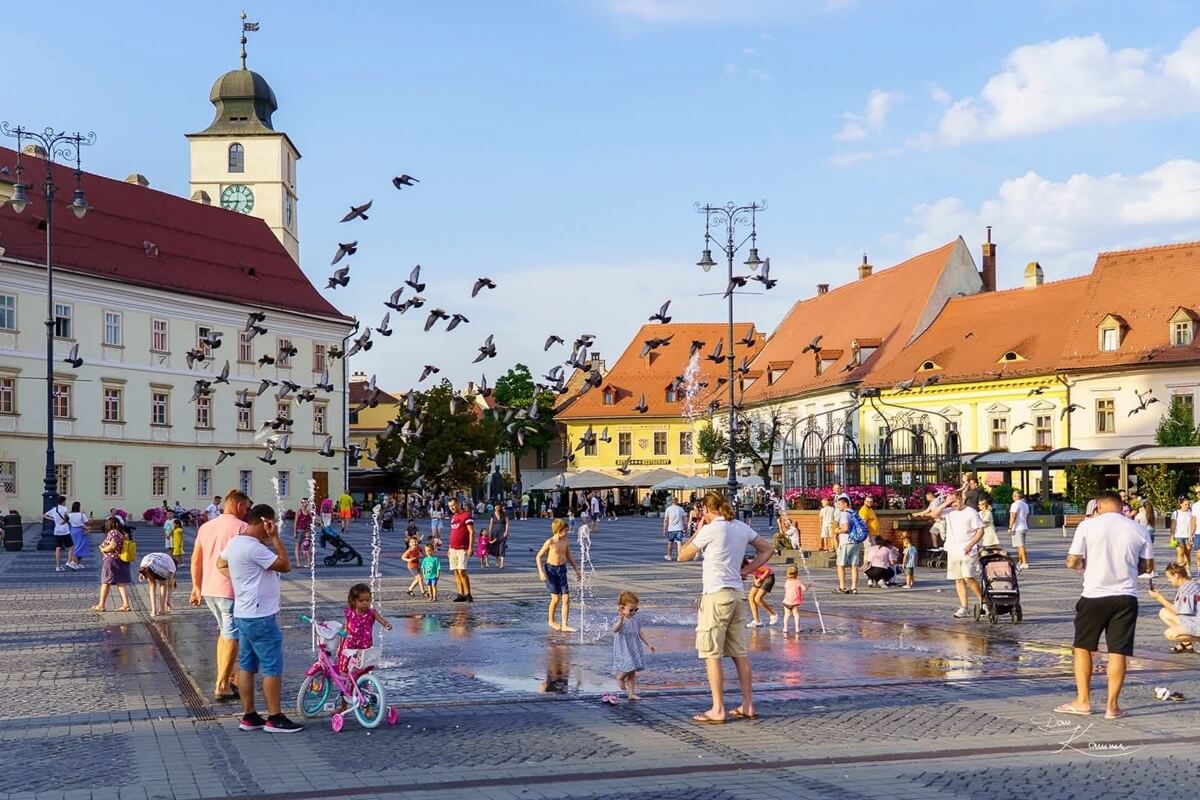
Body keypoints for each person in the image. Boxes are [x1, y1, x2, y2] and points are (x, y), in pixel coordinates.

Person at [1057, 491, 1153, 720]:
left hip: (1094, 595)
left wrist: (1084, 564)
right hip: (1126, 596)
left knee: (1083, 647)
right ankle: (1112, 706)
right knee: (1118, 651)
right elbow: (1148, 567)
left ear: (1098, 506)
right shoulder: (1138, 529)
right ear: (1121, 506)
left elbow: (1073, 561)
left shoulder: (1087, 526)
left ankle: (1083, 701)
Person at [678, 492, 773, 724]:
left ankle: (718, 709)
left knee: (712, 654)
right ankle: (748, 704)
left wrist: (698, 530)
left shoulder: (711, 530)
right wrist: (747, 571)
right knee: (739, 653)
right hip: (737, 595)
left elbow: (682, 555)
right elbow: (768, 549)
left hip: (715, 596)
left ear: (705, 509)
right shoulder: (740, 527)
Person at [218, 503, 300, 733]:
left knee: (247, 665)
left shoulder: (235, 542)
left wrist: (240, 579)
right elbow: (285, 565)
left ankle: (250, 716)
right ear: (265, 522)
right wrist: (275, 538)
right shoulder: (254, 548)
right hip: (260, 616)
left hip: (243, 614)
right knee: (272, 667)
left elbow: (220, 563)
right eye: (272, 523)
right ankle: (275, 718)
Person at [191, 489, 250, 703]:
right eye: (246, 507)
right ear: (239, 505)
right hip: (230, 590)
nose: (246, 512)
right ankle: (222, 685)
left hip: (209, 589)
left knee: (224, 634)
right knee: (232, 635)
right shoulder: (242, 528)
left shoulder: (206, 527)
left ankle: (226, 677)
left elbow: (196, 559)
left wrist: (196, 586)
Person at [943, 491, 986, 618]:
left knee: (968, 577)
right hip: (953, 549)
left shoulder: (971, 512)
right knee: (958, 579)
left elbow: (980, 531)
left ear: (961, 499)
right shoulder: (949, 512)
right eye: (951, 502)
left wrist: (971, 544)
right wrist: (946, 503)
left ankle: (983, 601)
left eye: (955, 501)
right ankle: (964, 607)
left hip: (967, 549)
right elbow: (934, 514)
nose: (953, 504)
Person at [336, 583, 392, 679]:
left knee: (362, 666)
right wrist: (340, 643)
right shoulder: (350, 612)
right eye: (361, 601)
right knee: (345, 665)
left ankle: (362, 682)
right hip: (350, 643)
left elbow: (382, 620)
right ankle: (345, 683)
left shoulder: (371, 612)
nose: (365, 603)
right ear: (353, 601)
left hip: (364, 644)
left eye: (368, 600)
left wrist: (386, 625)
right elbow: (346, 627)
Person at [536, 519, 582, 632]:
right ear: (559, 530)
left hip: (562, 570)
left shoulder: (565, 541)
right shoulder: (550, 542)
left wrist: (577, 569)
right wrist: (541, 572)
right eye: (565, 530)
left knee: (566, 598)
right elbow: (538, 557)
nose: (567, 532)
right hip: (551, 571)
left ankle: (565, 625)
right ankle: (551, 621)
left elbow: (569, 556)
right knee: (555, 599)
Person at [611, 590, 655, 701]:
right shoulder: (620, 619)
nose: (633, 612)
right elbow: (614, 630)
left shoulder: (635, 620)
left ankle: (631, 694)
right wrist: (620, 622)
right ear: (622, 608)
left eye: (636, 610)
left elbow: (640, 632)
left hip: (634, 647)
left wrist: (648, 643)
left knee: (632, 671)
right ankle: (620, 677)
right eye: (631, 610)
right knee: (629, 665)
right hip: (624, 648)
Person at [1148, 563, 1200, 653]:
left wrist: (1159, 598)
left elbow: (1177, 611)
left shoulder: (1186, 590)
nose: (1168, 580)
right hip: (1193, 619)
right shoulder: (1189, 584)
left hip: (1196, 622)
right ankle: (1187, 643)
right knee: (1164, 612)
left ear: (1176, 575)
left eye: (1169, 577)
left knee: (1169, 634)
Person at [92, 517, 132, 612]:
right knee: (121, 582)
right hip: (121, 559)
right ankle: (126, 604)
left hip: (111, 560)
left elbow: (112, 546)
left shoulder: (112, 532)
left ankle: (101, 605)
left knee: (105, 582)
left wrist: (103, 549)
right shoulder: (122, 533)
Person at [447, 498, 475, 602]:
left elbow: (471, 532)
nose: (452, 508)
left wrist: (470, 547)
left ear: (458, 504)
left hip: (463, 548)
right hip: (453, 548)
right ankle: (460, 594)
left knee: (461, 571)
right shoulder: (453, 517)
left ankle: (468, 594)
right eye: (450, 506)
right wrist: (449, 547)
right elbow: (453, 532)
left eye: (453, 505)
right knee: (455, 571)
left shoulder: (466, 515)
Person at [834, 495, 861, 594]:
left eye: (839, 504)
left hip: (846, 541)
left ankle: (842, 587)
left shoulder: (844, 514)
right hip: (856, 542)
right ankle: (854, 587)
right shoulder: (854, 513)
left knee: (840, 565)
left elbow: (846, 528)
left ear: (845, 504)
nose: (838, 506)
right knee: (854, 565)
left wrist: (837, 530)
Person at [138, 551, 177, 616]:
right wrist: (168, 601)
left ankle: (153, 611)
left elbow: (148, 566)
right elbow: (170, 585)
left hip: (145, 563)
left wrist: (143, 573)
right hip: (159, 566)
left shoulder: (165, 558)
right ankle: (162, 609)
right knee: (163, 584)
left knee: (152, 585)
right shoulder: (172, 567)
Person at [44, 494, 75, 572]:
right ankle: (68, 562)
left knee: (58, 548)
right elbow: (67, 518)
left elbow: (44, 515)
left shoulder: (54, 509)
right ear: (63, 501)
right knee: (71, 547)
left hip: (57, 531)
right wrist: (65, 521)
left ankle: (58, 566)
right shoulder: (64, 508)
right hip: (65, 531)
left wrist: (53, 519)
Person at [743, 558, 777, 627]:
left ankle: (773, 615)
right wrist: (755, 580)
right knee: (751, 597)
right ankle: (757, 621)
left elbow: (767, 570)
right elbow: (754, 572)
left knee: (758, 599)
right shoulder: (746, 566)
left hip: (768, 577)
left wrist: (760, 579)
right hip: (760, 577)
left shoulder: (752, 565)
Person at [1170, 498, 1195, 573]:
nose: (1187, 506)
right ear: (1181, 504)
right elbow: (1173, 525)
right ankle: (1180, 571)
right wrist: (1172, 536)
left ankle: (1187, 570)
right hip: (1178, 536)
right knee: (1180, 553)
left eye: (1188, 504)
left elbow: (1193, 524)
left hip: (1189, 536)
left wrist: (1191, 535)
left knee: (1187, 553)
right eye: (1186, 504)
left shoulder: (1191, 513)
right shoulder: (1176, 513)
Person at [1009, 489, 1031, 570]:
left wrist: (1010, 527)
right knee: (1020, 546)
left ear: (1016, 496)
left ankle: (1025, 563)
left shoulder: (1015, 504)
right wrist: (1026, 524)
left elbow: (1013, 516)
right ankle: (1021, 561)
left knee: (1020, 546)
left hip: (1017, 527)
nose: (1012, 497)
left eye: (1013, 495)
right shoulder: (1025, 505)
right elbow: (1027, 516)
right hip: (1024, 526)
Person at [781, 565, 806, 633]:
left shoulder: (787, 582)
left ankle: (785, 628)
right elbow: (804, 589)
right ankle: (797, 629)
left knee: (786, 615)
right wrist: (809, 586)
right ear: (797, 574)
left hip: (786, 602)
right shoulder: (798, 582)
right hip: (795, 602)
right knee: (796, 615)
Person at [663, 497, 687, 562]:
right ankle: (679, 557)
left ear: (671, 501)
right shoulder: (681, 509)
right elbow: (685, 519)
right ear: (677, 501)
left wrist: (664, 529)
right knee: (679, 543)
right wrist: (686, 527)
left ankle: (669, 556)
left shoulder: (668, 509)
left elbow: (666, 520)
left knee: (670, 542)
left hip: (671, 529)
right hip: (679, 528)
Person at [68, 502, 90, 567]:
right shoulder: (82, 514)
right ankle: (74, 562)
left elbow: (68, 522)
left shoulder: (69, 515)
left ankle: (76, 563)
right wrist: (90, 519)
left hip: (73, 530)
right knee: (81, 546)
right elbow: (87, 523)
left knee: (75, 546)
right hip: (81, 531)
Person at [294, 499, 313, 568]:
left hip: (307, 531)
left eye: (306, 502)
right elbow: (295, 522)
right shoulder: (299, 511)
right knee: (298, 546)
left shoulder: (308, 512)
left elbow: (312, 519)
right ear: (301, 503)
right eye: (303, 502)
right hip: (300, 530)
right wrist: (294, 532)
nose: (305, 503)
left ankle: (307, 562)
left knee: (306, 547)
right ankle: (298, 563)